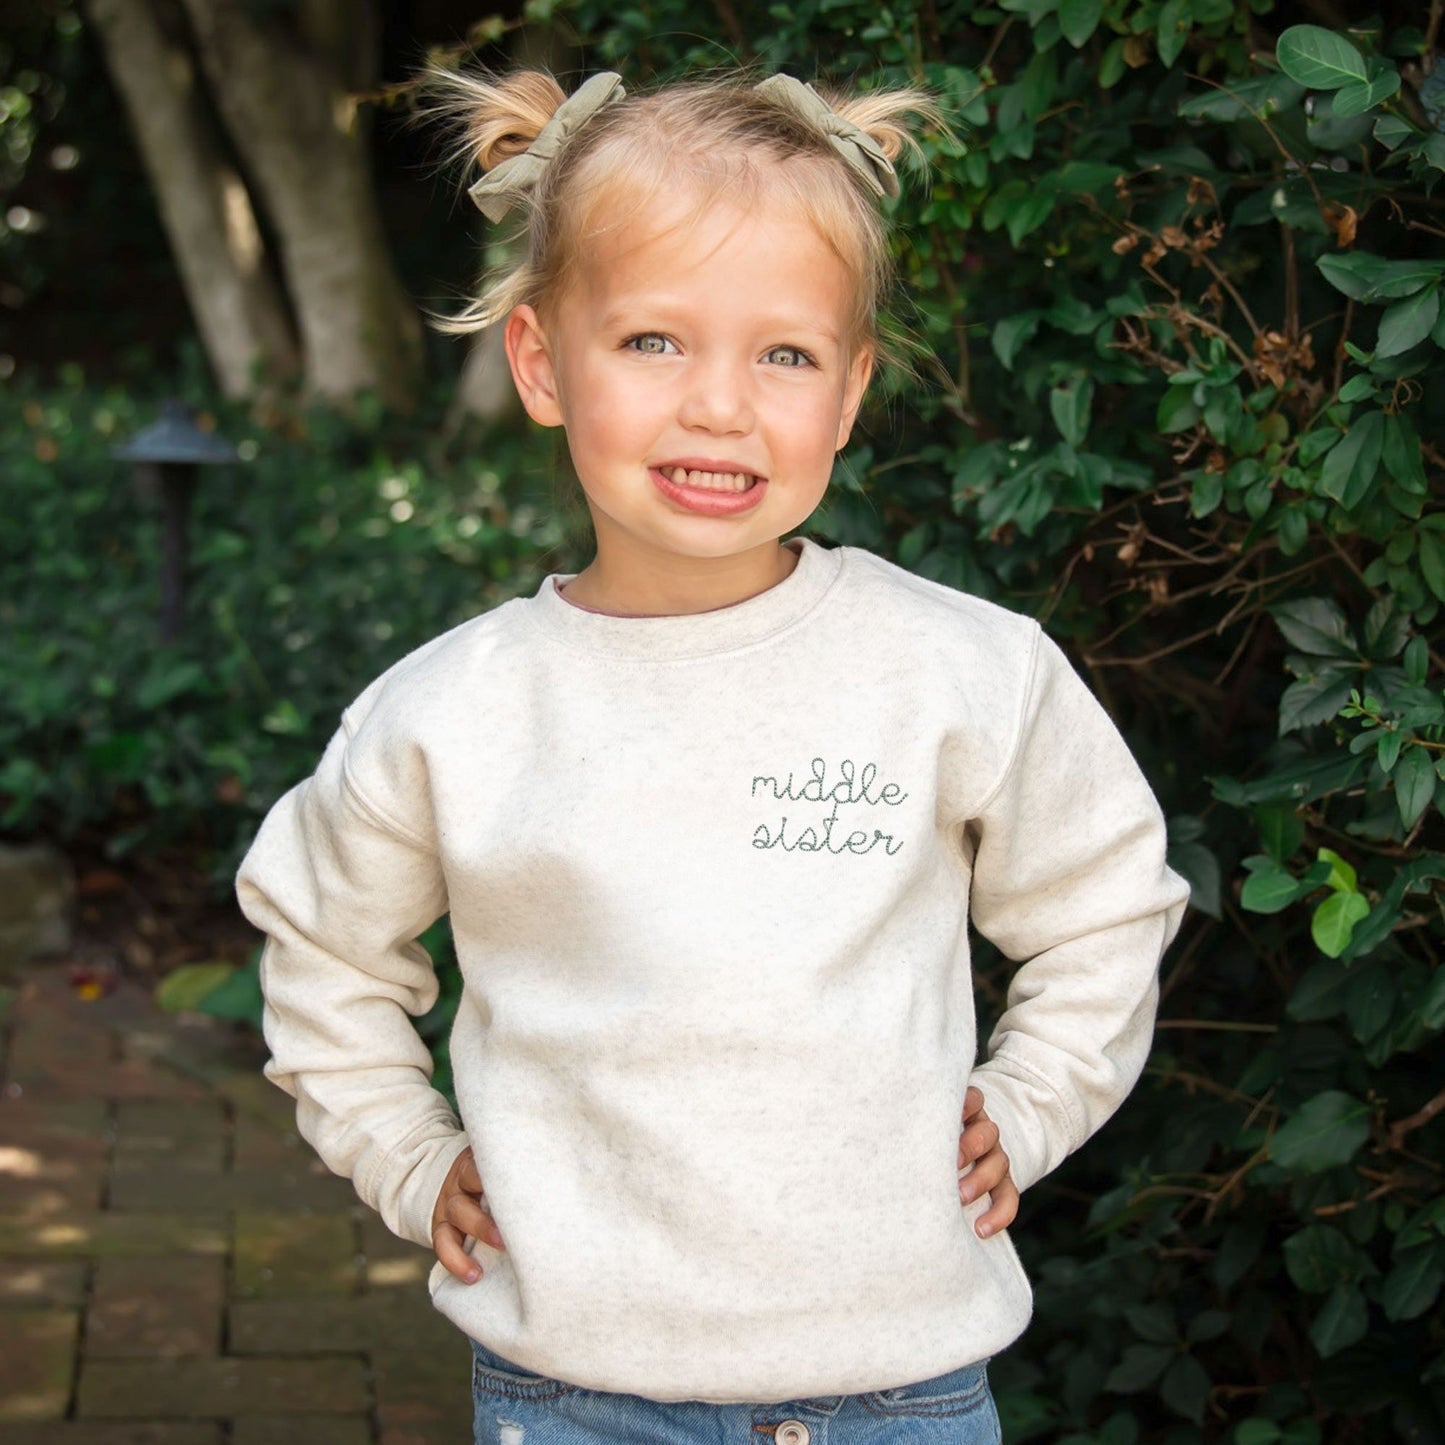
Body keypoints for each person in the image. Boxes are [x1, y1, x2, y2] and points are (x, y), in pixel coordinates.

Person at [235, 64, 1191, 1445]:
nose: (719, 406)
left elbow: (1105, 900)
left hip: (902, 1386)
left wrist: (1030, 1098)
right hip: (573, 1395)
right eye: (654, 342)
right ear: (541, 362)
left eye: (783, 355)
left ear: (850, 391)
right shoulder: (455, 710)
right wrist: (405, 1151)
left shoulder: (960, 670)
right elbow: (322, 947)